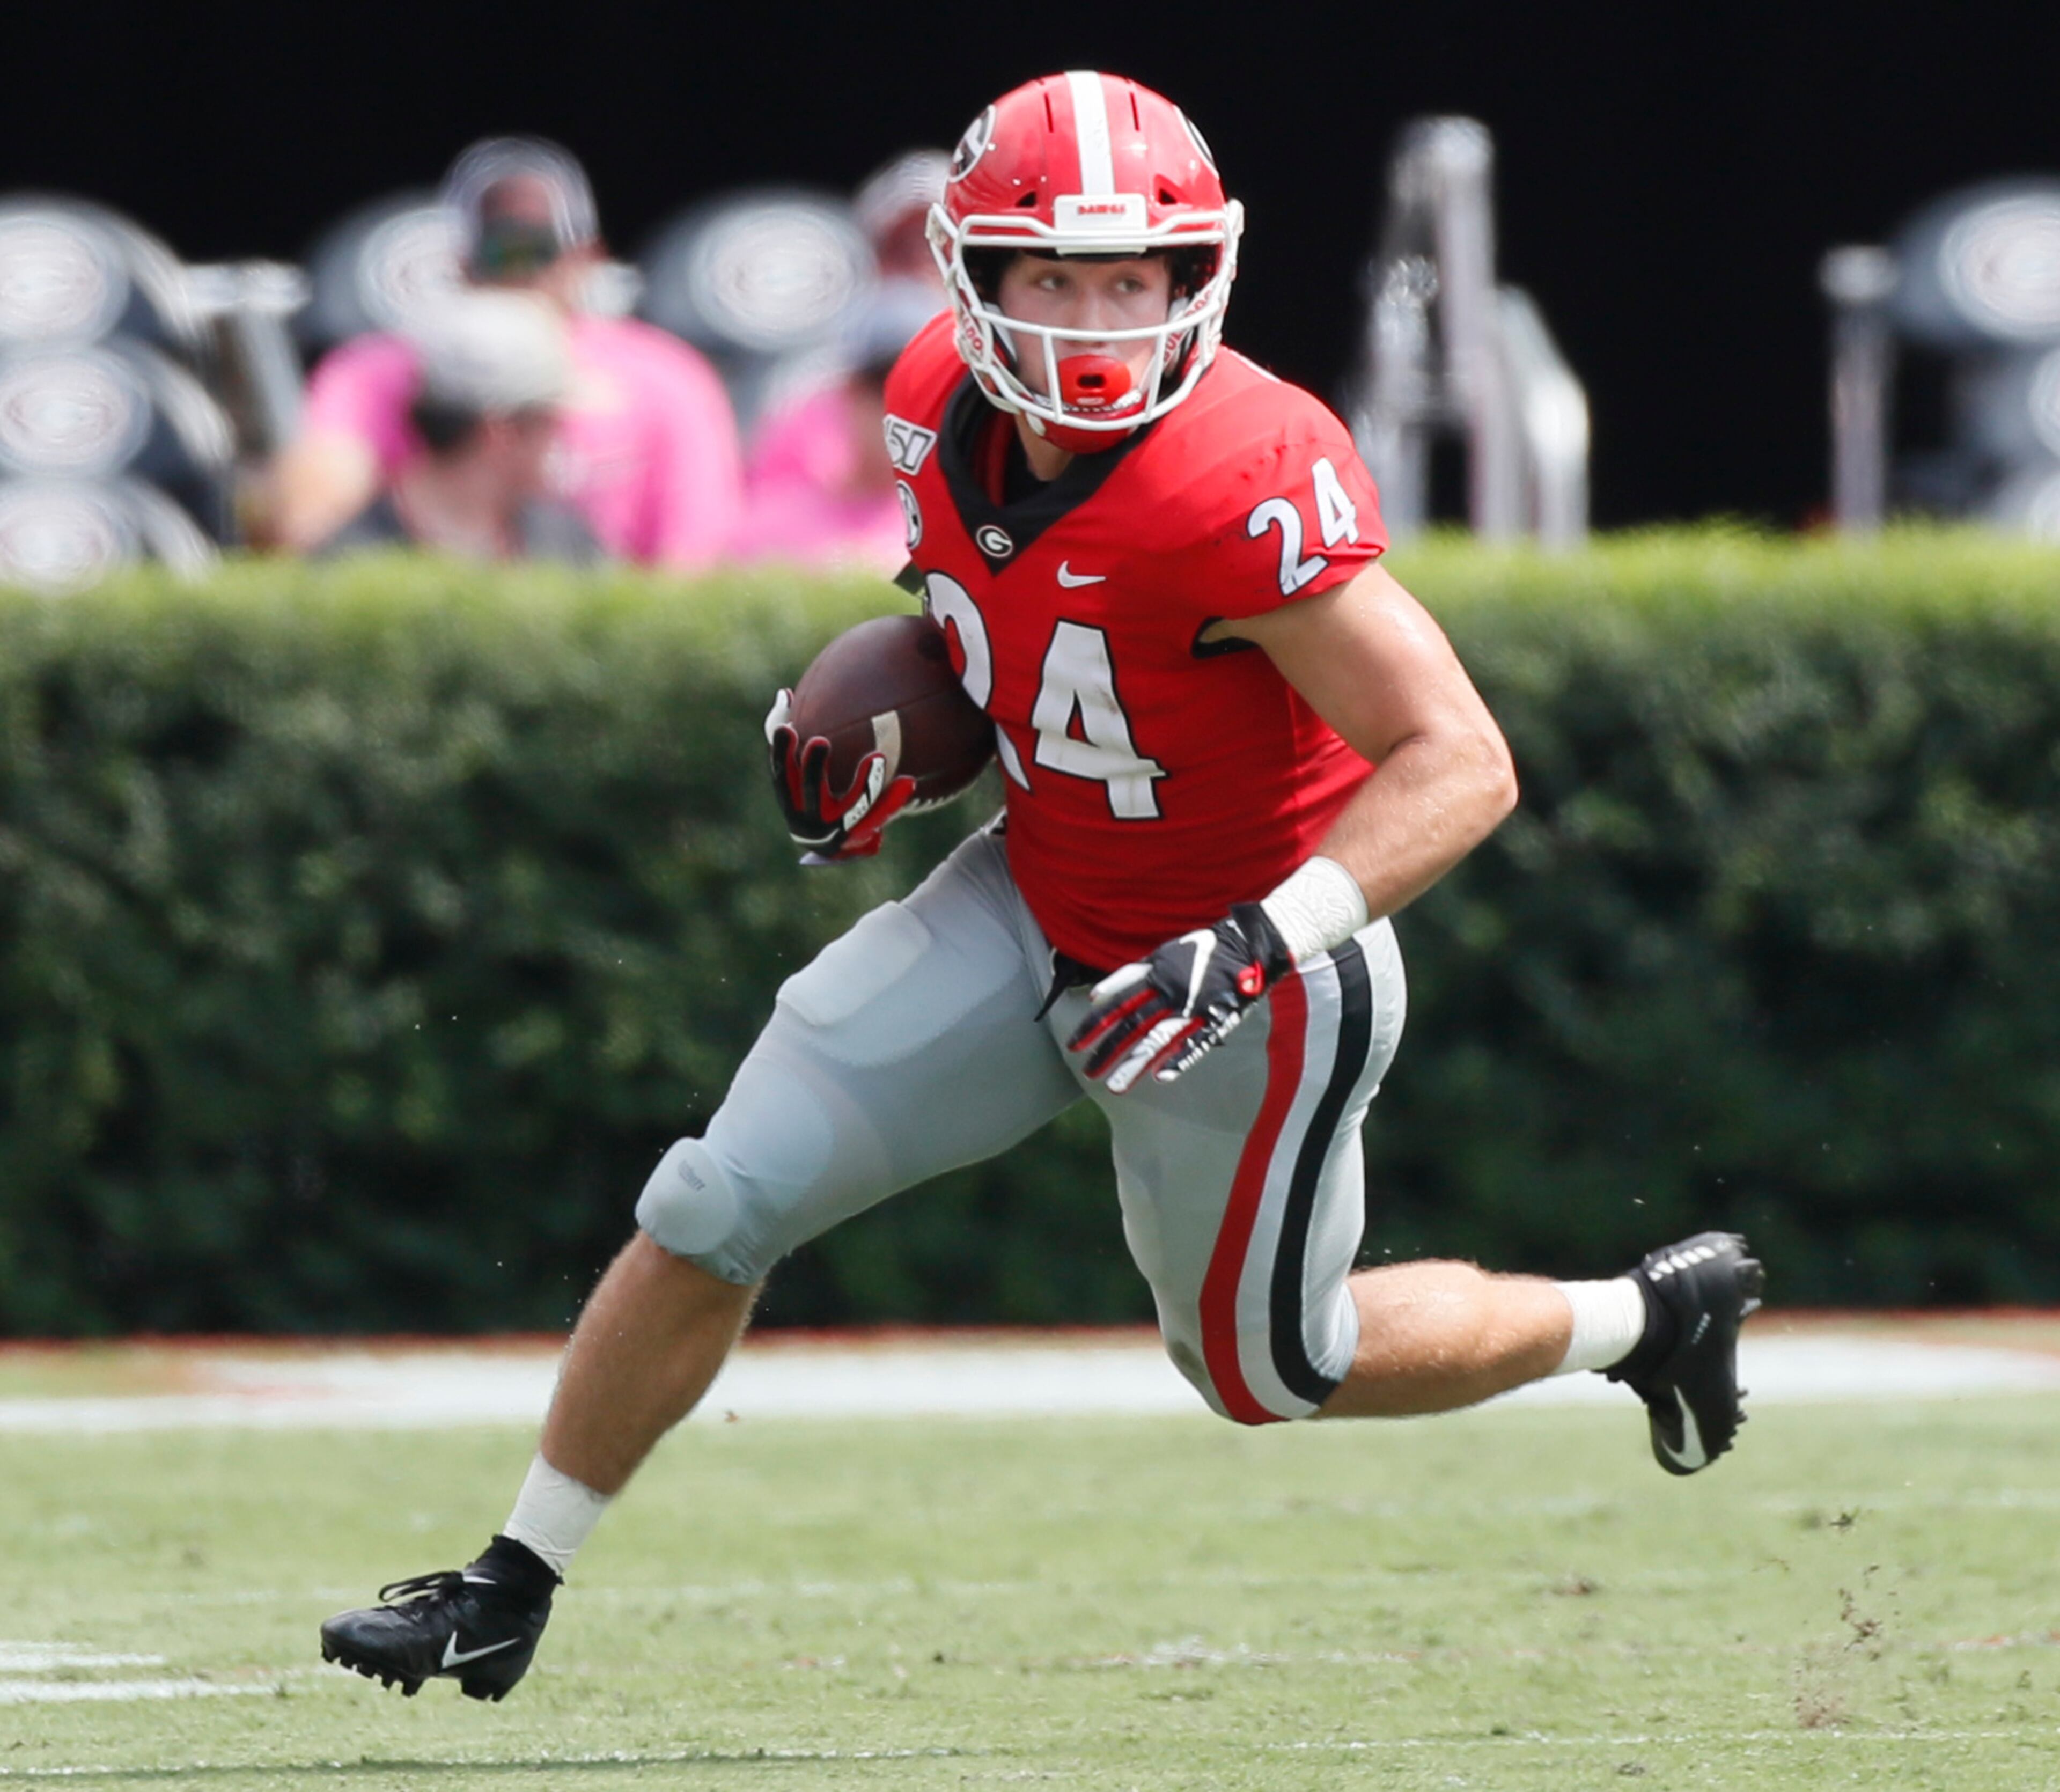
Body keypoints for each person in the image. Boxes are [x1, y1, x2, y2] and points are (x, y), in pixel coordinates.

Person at [318, 72, 1763, 1702]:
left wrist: (1251, 941)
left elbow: (1455, 757)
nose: (1096, 320)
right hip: (1034, 893)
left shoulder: (1243, 468)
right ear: (975, 281)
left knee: (1270, 1368)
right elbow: (1010, 653)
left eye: (1130, 280)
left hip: (1249, 963)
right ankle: (508, 1581)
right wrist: (892, 746)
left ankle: (1639, 1321)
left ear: (1189, 278)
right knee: (718, 1198)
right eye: (1055, 280)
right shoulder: (932, 401)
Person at [269, 137, 742, 569]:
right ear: (458, 260)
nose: (517, 270)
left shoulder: (665, 376)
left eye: (538, 249)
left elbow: (693, 563)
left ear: (587, 256)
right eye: (496, 249)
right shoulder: (376, 371)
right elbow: (306, 527)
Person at [314, 290, 601, 563]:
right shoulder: (352, 557)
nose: (563, 436)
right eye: (551, 422)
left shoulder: (569, 542)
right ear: (501, 434)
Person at [729, 285, 938, 572]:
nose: (911, 412)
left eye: (932, 392)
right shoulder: (773, 526)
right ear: (849, 391)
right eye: (888, 388)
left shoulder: (967, 532)